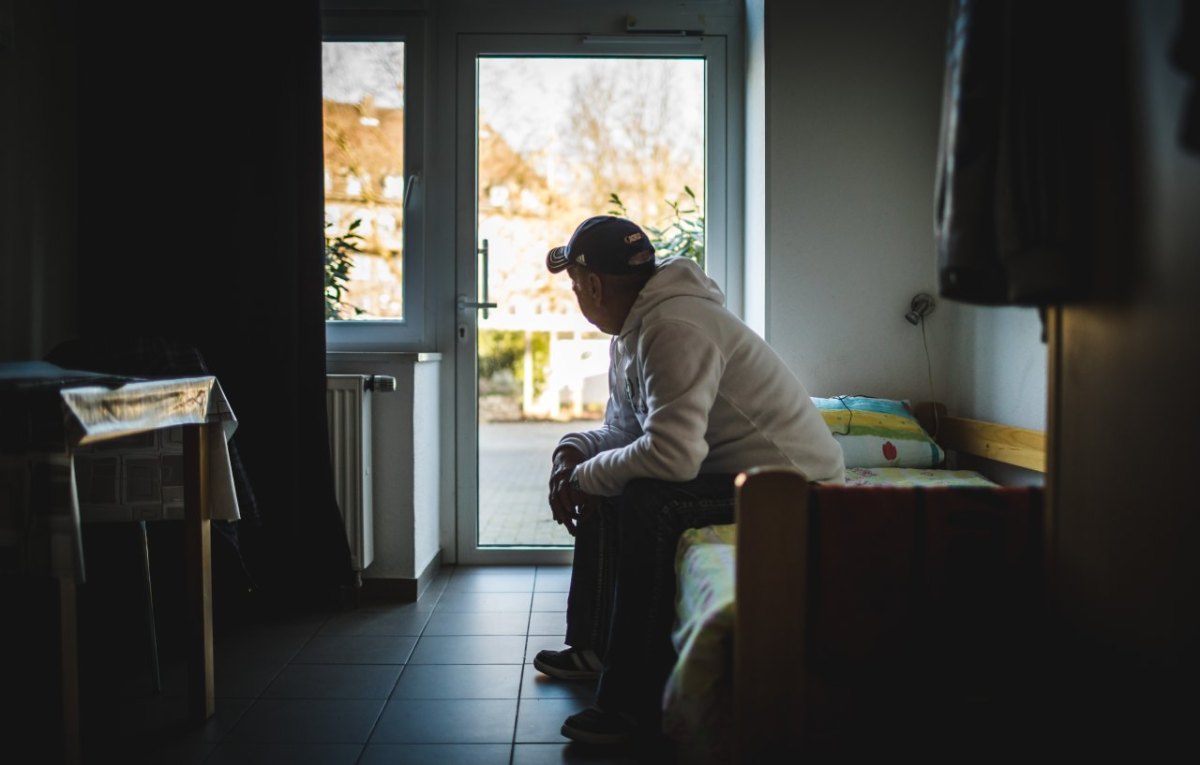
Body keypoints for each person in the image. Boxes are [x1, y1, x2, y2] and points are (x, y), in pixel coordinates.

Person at [533, 215, 845, 746]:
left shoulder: (674, 327)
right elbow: (626, 432)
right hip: (736, 475)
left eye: (574, 286)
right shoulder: (637, 330)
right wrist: (574, 456)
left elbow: (672, 458)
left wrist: (586, 478)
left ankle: (633, 704)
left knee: (647, 500)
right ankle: (593, 648)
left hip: (795, 486)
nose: (576, 297)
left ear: (591, 284)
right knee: (611, 481)